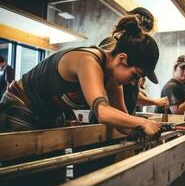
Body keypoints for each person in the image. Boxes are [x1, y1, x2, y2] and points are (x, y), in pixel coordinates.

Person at [0, 15, 161, 137]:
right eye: (135, 75)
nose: (133, 83)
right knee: (27, 177)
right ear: (122, 59)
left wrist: (142, 131)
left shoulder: (113, 81)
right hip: (20, 106)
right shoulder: (88, 61)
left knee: (55, 176)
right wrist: (143, 122)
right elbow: (103, 113)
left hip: (48, 114)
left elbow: (123, 121)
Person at [97, 7, 168, 116]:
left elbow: (131, 93)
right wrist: (154, 102)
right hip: (108, 116)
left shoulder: (137, 56)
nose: (142, 36)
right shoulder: (110, 48)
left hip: (124, 115)